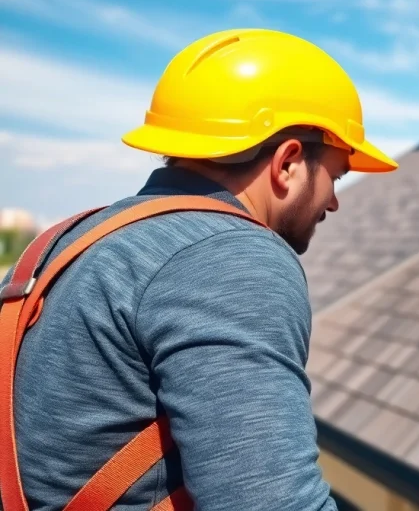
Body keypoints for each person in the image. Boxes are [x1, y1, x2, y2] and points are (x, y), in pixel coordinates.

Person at [0, 29, 398, 511]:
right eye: (334, 176)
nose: (334, 201)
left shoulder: (67, 241)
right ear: (289, 163)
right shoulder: (232, 257)